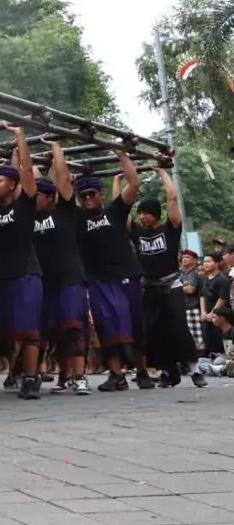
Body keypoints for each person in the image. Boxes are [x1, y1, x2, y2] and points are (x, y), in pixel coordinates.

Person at [0, 130, 43, 400]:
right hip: (0, 278)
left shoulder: (25, 205)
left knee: (28, 330)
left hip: (26, 275)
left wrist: (20, 136)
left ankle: (31, 379)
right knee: (7, 333)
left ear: (13, 184)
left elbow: (27, 170)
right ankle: (17, 368)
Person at [74, 154, 141, 391]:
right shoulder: (78, 218)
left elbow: (134, 184)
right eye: (83, 196)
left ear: (101, 194)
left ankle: (142, 371)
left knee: (132, 323)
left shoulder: (115, 212)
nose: (88, 198)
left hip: (124, 277)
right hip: (97, 280)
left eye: (92, 194)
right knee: (105, 327)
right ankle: (116, 375)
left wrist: (120, 153)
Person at [130, 171, 201, 388]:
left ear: (155, 214)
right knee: (153, 331)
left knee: (178, 327)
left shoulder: (170, 230)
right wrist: (118, 180)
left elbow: (172, 197)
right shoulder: (138, 233)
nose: (141, 216)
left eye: (145, 213)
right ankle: (168, 373)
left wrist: (162, 171)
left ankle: (195, 370)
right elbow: (122, 209)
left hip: (172, 285)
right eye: (140, 213)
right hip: (149, 288)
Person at [32, 141, 91, 395]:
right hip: (45, 282)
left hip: (70, 279)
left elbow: (63, 177)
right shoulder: (29, 216)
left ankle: (79, 377)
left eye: (37, 195)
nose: (32, 198)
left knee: (73, 328)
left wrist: (57, 148)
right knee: (50, 332)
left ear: (50, 196)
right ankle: (61, 377)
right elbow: (27, 177)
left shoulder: (65, 211)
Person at [180, 249, 203, 354]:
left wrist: (180, 286)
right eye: (183, 257)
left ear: (195, 260)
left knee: (198, 336)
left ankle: (202, 356)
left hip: (193, 308)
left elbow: (190, 289)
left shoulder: (194, 273)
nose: (184, 259)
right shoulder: (181, 272)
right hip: (184, 307)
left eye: (187, 258)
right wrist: (184, 285)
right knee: (189, 335)